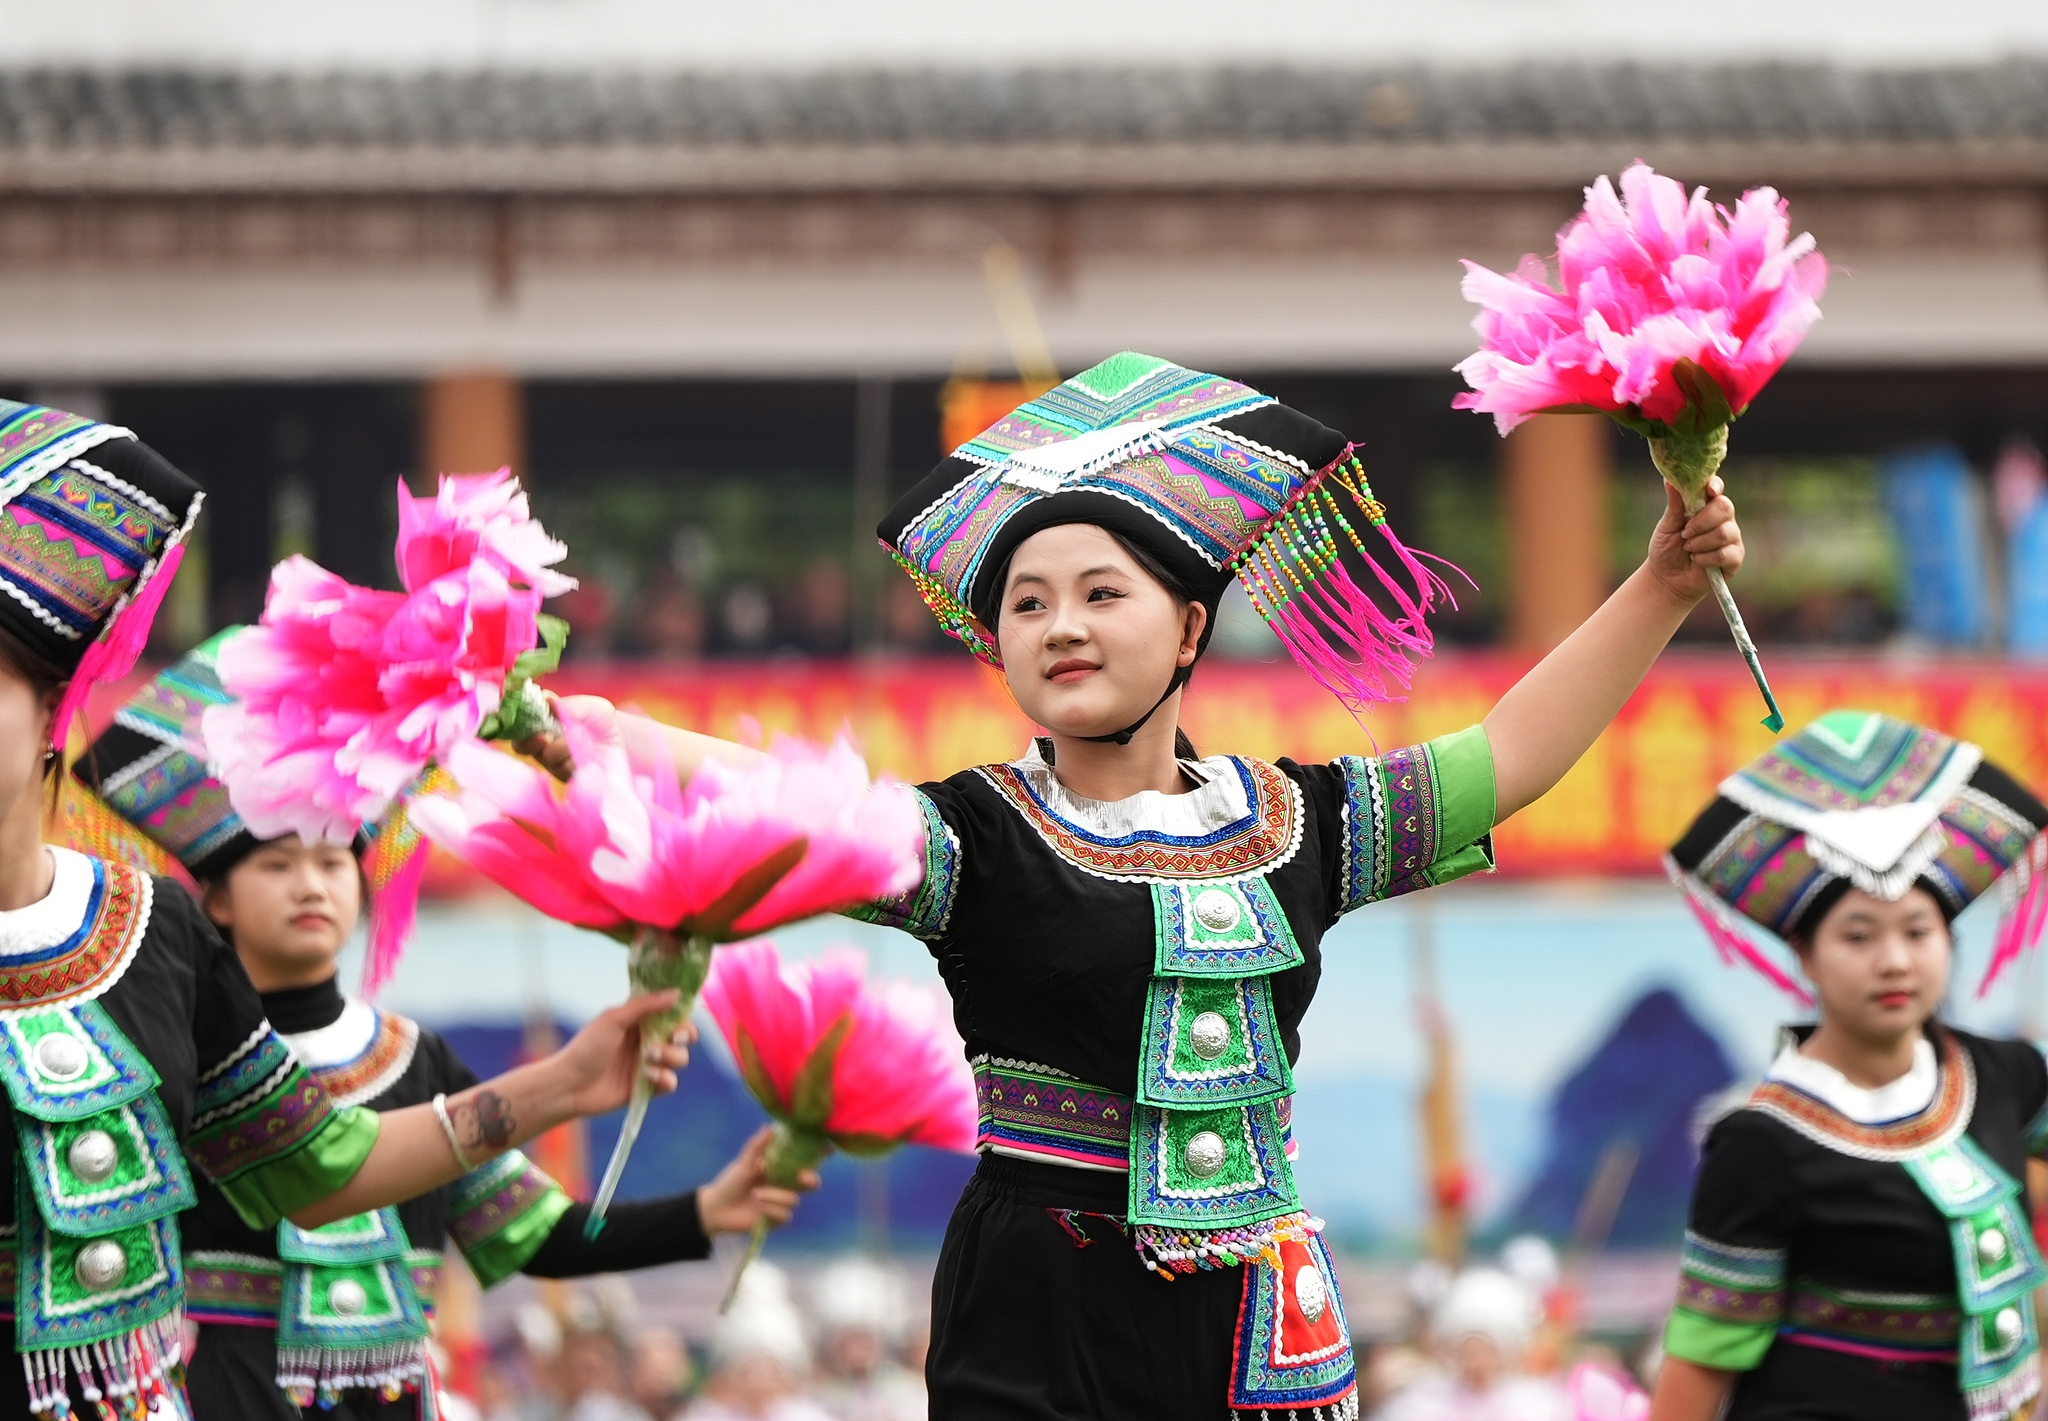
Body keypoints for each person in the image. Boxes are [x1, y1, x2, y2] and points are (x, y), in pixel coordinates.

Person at [543, 353, 1747, 1420]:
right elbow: (795, 802)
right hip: (1035, 1306)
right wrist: (589, 727)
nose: (1058, 625)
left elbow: (1506, 759)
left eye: (1098, 592)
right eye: (1026, 603)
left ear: (1185, 630)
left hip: (1253, 1315)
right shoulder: (978, 836)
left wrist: (1662, 586)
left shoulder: (1297, 824)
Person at [0, 400, 692, 1419]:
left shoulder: (150, 929)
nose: (313, 884)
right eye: (280, 865)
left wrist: (561, 1085)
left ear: (52, 715)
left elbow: (314, 1163)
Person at [68, 631, 818, 1420]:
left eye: (331, 863)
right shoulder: (184, 1058)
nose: (311, 885)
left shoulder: (413, 1059)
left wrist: (705, 1211)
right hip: (235, 1391)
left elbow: (534, 1233)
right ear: (214, 899)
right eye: (278, 865)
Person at [1651, 710, 2048, 1421]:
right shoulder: (1759, 1141)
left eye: (1918, 931)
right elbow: (1702, 1358)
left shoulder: (2007, 1074)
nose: (1894, 959)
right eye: (1858, 935)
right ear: (1804, 953)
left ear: (1948, 941)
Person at [1375, 1269, 1568, 1421]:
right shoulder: (1420, 1404)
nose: (1477, 1360)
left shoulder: (1537, 1406)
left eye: (1487, 1350)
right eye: (1469, 1350)